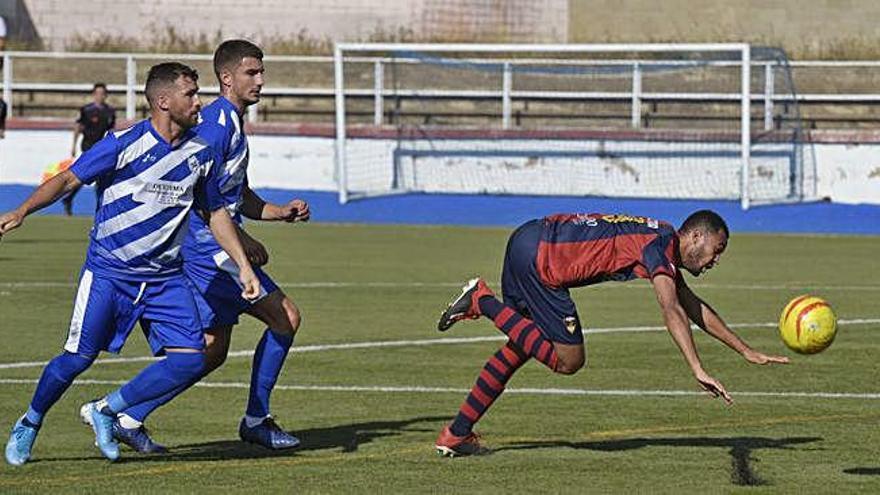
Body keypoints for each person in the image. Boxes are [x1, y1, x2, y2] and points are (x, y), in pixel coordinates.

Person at [2, 62, 261, 466]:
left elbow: (215, 213)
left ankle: (107, 409)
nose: (199, 103)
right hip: (109, 274)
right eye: (190, 95)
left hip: (163, 279)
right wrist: (22, 211)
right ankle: (30, 421)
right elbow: (69, 180)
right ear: (163, 101)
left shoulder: (200, 153)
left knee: (191, 358)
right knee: (77, 359)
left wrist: (242, 264)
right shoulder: (123, 142)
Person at [94, 40, 310, 454]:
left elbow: (234, 192)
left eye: (262, 72)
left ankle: (126, 415)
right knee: (285, 318)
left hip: (214, 250)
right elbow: (194, 194)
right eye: (252, 73)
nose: (261, 80)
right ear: (226, 78)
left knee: (210, 352)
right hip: (210, 252)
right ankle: (256, 420)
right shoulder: (214, 126)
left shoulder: (230, 122)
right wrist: (241, 242)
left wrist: (279, 212)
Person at [434, 210, 790, 456]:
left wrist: (744, 350)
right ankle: (482, 300)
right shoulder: (659, 246)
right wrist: (696, 367)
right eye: (717, 250)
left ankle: (457, 432)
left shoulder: (661, 240)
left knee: (521, 346)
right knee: (569, 360)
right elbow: (671, 309)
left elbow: (693, 307)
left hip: (528, 239)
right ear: (696, 236)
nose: (716, 260)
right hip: (543, 261)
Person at [63, 83, 116, 215]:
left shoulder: (110, 111)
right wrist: (73, 145)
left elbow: (111, 130)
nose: (99, 96)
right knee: (94, 175)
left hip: (101, 146)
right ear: (93, 94)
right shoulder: (86, 110)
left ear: (105, 95)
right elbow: (78, 127)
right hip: (88, 145)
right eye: (97, 93)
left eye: (102, 93)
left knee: (89, 176)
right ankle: (100, 206)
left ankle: (69, 198)